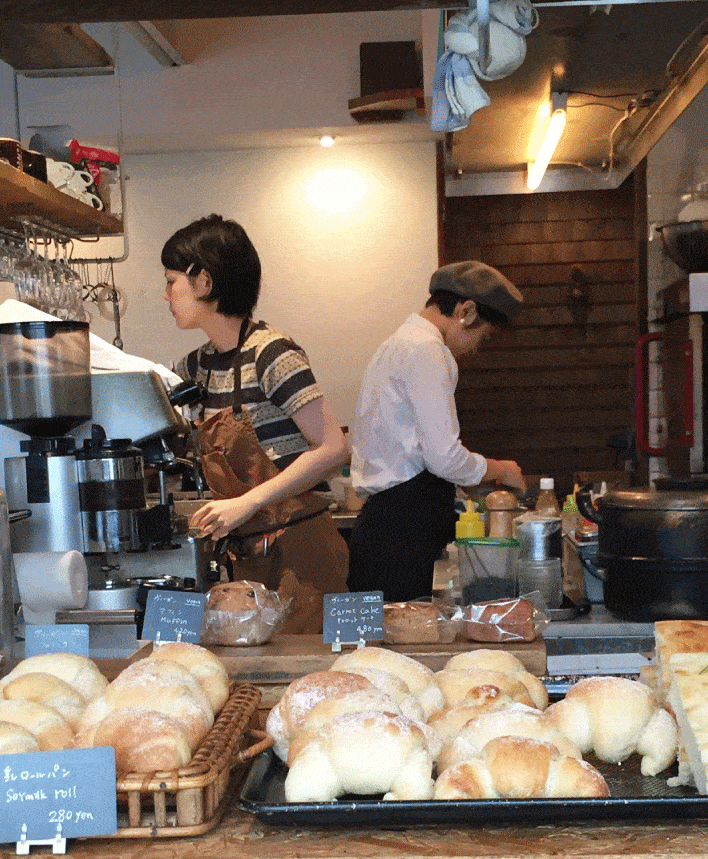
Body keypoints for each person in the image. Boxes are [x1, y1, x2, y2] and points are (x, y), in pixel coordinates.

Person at [162, 214, 350, 630]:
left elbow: (334, 448)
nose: (166, 294)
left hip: (301, 553)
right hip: (248, 553)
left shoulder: (271, 353)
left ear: (203, 281)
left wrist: (246, 502)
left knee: (302, 664)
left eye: (172, 281)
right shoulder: (196, 366)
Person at [346, 260, 527, 601]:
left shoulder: (398, 343)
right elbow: (443, 458)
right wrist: (500, 469)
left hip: (385, 527)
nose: (476, 348)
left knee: (382, 633)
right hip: (403, 534)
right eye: (483, 336)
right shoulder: (427, 350)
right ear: (466, 312)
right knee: (404, 633)